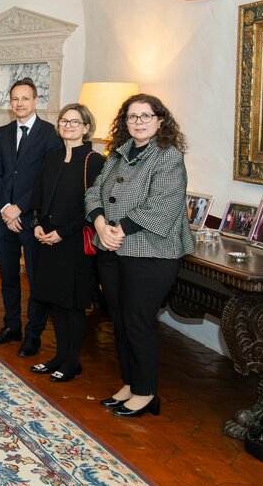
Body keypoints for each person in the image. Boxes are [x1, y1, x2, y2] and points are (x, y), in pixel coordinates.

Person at [86, 93, 195, 418]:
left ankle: (146, 393)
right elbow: (94, 191)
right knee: (120, 321)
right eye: (132, 116)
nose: (138, 122)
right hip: (113, 249)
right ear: (125, 121)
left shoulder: (168, 157)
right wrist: (100, 222)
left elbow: (163, 204)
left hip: (151, 252)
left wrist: (120, 229)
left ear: (160, 120)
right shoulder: (118, 154)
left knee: (138, 321)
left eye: (146, 116)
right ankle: (131, 383)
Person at [0, 78, 62, 357]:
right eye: (15, 99)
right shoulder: (3, 133)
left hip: (32, 220)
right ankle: (12, 327)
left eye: (25, 98)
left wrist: (21, 207)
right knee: (7, 277)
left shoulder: (50, 134)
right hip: (4, 218)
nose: (19, 103)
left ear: (35, 100)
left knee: (35, 278)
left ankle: (33, 335)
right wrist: (5, 207)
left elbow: (48, 178)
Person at [28, 103, 104, 382]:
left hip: (73, 242)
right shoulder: (52, 157)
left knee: (72, 304)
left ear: (86, 127)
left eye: (75, 122)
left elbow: (93, 208)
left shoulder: (94, 161)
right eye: (63, 121)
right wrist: (36, 225)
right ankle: (59, 356)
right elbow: (38, 196)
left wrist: (64, 232)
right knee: (55, 301)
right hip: (47, 239)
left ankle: (72, 362)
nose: (68, 126)